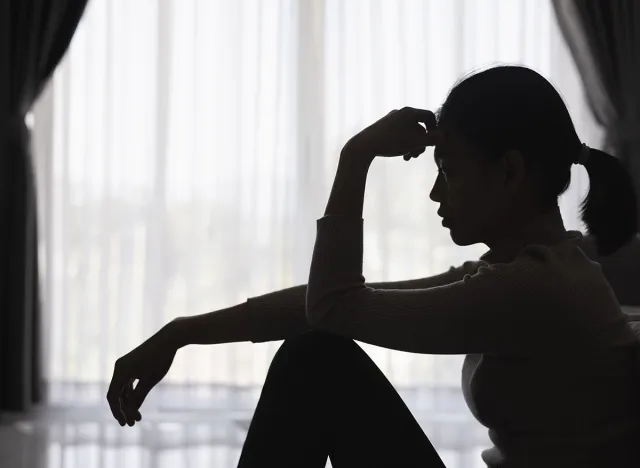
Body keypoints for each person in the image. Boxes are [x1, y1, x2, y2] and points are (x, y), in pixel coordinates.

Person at [107, 65, 640, 468]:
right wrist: (181, 333)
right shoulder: (532, 271)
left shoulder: (532, 289)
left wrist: (356, 156)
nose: (436, 193)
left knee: (315, 363)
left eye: (449, 171)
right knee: (315, 353)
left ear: (509, 171)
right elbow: (321, 307)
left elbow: (334, 307)